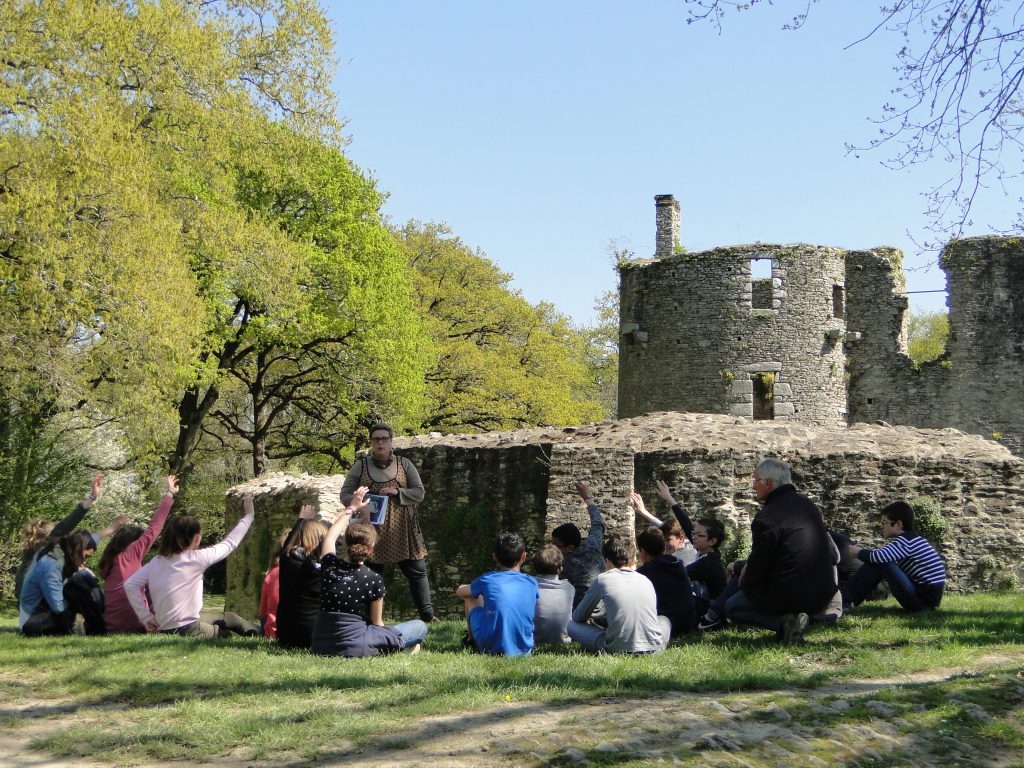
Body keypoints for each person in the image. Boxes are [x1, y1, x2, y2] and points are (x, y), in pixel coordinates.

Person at [698, 458, 837, 645]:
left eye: (756, 481)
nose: (753, 487)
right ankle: (812, 619)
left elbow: (759, 567)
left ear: (768, 483)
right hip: (824, 593)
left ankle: (784, 625)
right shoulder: (807, 505)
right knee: (743, 572)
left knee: (733, 606)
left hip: (794, 594)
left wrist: (745, 578)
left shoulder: (767, 517)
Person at [311, 486, 428, 657]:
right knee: (419, 626)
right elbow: (377, 624)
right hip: (356, 647)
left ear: (345, 542)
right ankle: (402, 646)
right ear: (371, 546)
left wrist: (352, 507)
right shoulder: (372, 579)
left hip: (321, 645)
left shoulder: (329, 568)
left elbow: (330, 536)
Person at [125, 495, 258, 637]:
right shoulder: (197, 559)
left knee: (231, 618)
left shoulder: (155, 563)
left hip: (165, 627)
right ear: (196, 538)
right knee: (231, 636)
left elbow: (130, 584)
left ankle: (265, 631)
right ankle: (268, 632)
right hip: (189, 629)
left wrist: (146, 618)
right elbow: (230, 543)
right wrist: (249, 516)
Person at [340, 423, 433, 622]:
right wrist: (358, 503)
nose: (380, 442)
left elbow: (419, 493)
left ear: (391, 441)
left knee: (418, 573)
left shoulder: (404, 464)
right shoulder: (361, 466)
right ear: (371, 442)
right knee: (368, 575)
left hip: (403, 530)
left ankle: (427, 616)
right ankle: (366, 617)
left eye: (384, 439)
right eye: (376, 439)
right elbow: (344, 494)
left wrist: (397, 492)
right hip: (372, 530)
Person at [19, 516, 127, 636]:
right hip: (35, 617)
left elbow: (85, 541)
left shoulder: (66, 549)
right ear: (77, 551)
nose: (84, 562)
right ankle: (98, 628)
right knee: (81, 580)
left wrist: (112, 528)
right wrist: (79, 611)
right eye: (85, 557)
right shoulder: (51, 564)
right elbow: (58, 606)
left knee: (86, 576)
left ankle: (101, 624)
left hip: (48, 608)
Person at [99, 475, 178, 633]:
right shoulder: (131, 553)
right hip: (133, 624)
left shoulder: (109, 561)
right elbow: (154, 527)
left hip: (111, 626)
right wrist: (170, 494)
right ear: (133, 542)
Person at [568, 533, 671, 654]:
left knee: (570, 625)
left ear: (607, 561)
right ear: (632, 559)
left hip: (616, 649)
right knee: (664, 620)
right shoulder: (645, 580)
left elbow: (578, 617)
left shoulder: (602, 579)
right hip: (654, 648)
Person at [840, 501, 946, 612]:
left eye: (884, 522)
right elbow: (881, 554)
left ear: (898, 524)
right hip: (925, 600)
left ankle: (845, 600)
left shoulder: (905, 541)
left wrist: (858, 552)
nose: (881, 526)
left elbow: (879, 557)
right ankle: (846, 597)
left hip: (922, 603)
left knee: (881, 561)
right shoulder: (911, 538)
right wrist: (864, 552)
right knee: (879, 559)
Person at [16, 474, 104, 605]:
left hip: (24, 606)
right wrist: (92, 497)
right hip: (38, 610)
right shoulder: (45, 547)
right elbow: (69, 523)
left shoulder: (29, 554)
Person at [456, 532, 539, 656]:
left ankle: (471, 640)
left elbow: (460, 592)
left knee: (470, 598)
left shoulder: (487, 579)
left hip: (489, 648)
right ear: (524, 557)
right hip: (524, 650)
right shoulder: (532, 582)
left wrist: (463, 586)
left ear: (494, 557)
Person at [276, 504, 329, 650]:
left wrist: (300, 521)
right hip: (313, 635)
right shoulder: (321, 569)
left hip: (286, 634)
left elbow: (286, 547)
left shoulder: (288, 560)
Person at [551, 482, 605, 607]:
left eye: (556, 546)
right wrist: (588, 499)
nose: (553, 549)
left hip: (579, 619)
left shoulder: (565, 566)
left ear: (570, 548)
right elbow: (598, 524)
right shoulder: (593, 546)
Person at [636, 526, 696, 636]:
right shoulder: (677, 564)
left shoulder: (643, 573)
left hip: (666, 625)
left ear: (643, 551)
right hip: (688, 622)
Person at [631, 484, 698, 565]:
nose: (665, 544)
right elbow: (666, 529)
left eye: (668, 540)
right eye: (664, 540)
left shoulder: (692, 551)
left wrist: (670, 499)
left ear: (681, 539)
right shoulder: (688, 544)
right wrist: (643, 512)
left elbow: (686, 525)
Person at [532, 543, 574, 646]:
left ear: (534, 567)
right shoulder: (569, 587)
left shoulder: (529, 586)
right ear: (561, 568)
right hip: (563, 641)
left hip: (534, 640)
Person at [687, 517, 728, 616]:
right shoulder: (707, 553)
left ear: (712, 541)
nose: (693, 537)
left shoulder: (708, 563)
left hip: (712, 608)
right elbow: (686, 526)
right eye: (693, 534)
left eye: (699, 535)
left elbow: (681, 572)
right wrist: (673, 503)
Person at [259, 528, 289, 639]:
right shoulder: (303, 572)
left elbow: (262, 612)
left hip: (271, 631)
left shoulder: (273, 574)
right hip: (288, 633)